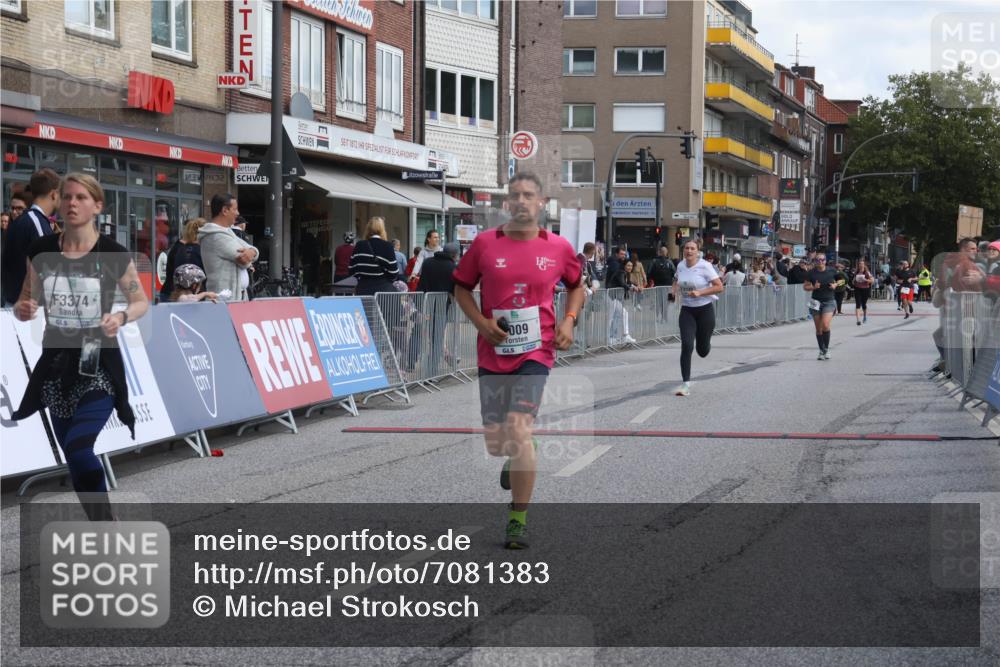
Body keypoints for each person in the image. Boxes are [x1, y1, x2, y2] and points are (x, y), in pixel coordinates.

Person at [452, 172, 584, 550]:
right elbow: (461, 288)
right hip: (493, 351)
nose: (522, 201)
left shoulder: (558, 247)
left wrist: (568, 320)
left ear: (542, 203)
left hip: (536, 352)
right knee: (499, 441)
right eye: (515, 195)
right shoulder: (484, 244)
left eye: (529, 195)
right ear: (507, 203)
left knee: (518, 427)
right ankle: (520, 450)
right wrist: (482, 323)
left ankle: (517, 519)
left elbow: (576, 287)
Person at [12, 173, 149, 521]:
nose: (72, 203)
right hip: (56, 364)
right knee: (74, 459)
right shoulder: (42, 250)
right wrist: (23, 309)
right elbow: (25, 299)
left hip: (98, 363)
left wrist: (120, 317)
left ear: (97, 206)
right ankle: (103, 525)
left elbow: (140, 302)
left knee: (78, 447)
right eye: (68, 197)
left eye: (81, 198)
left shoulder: (113, 253)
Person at [672, 238, 723, 396]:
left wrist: (700, 292)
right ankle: (685, 385)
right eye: (686, 248)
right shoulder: (681, 265)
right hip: (687, 310)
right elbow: (676, 280)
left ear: (697, 251)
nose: (689, 251)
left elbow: (719, 287)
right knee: (687, 345)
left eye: (692, 248)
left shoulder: (705, 266)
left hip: (704, 310)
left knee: (702, 351)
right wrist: (673, 292)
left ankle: (706, 343)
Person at [2, 169, 61, 306]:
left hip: (15, 302)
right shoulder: (36, 223)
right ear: (54, 194)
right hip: (31, 307)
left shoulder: (20, 221)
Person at [198, 194, 258, 301]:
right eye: (235, 209)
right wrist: (251, 255)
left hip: (236, 297)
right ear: (225, 210)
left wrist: (252, 251)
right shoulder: (215, 236)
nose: (238, 213)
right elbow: (244, 261)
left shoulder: (228, 231)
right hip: (224, 300)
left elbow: (252, 250)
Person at [159, 217, 206, 302]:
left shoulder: (180, 247)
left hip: (169, 293)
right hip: (183, 297)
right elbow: (189, 279)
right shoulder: (194, 251)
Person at [349, 216, 399, 295]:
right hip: (382, 292)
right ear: (382, 229)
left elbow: (351, 270)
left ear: (368, 229)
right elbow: (394, 273)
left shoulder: (359, 245)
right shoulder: (387, 246)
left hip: (363, 290)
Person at [804, 253, 838, 360]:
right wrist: (813, 287)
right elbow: (805, 287)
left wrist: (835, 284)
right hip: (815, 302)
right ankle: (821, 350)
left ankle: (826, 349)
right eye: (818, 260)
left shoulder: (832, 271)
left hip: (829, 301)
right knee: (818, 329)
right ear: (815, 261)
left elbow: (843, 280)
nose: (820, 262)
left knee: (825, 325)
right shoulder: (811, 273)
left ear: (825, 261)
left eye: (822, 260)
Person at [852, 258, 874, 326]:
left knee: (864, 304)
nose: (861, 265)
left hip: (865, 289)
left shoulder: (867, 272)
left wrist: (865, 280)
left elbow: (872, 281)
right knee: (858, 304)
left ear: (864, 265)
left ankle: (864, 315)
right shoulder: (856, 272)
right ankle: (858, 320)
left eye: (862, 264)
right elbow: (853, 281)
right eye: (859, 264)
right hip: (857, 289)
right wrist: (854, 281)